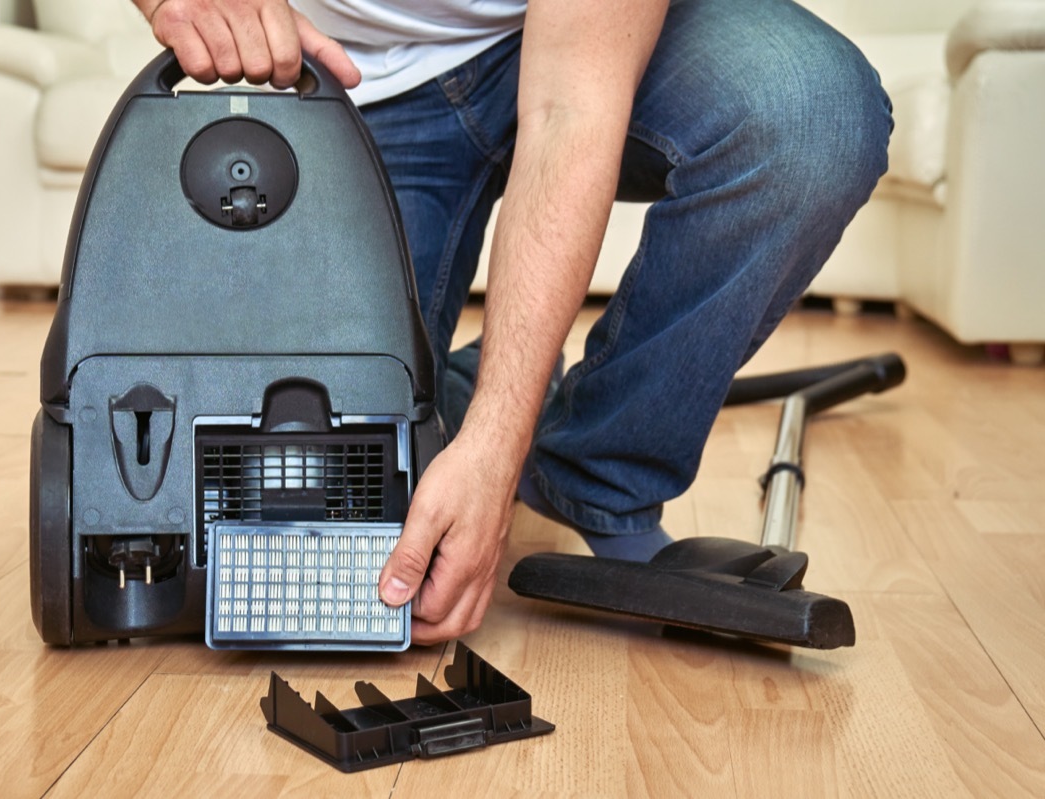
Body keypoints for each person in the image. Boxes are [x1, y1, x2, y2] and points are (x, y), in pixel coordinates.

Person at [130, 0, 892, 646]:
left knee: (808, 113)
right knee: (315, 507)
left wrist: (498, 449)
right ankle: (460, 394)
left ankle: (595, 472)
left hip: (591, 50)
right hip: (357, 74)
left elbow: (572, 105)